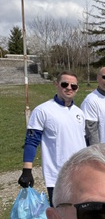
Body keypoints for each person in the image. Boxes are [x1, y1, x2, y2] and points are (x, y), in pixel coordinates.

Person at [17, 71, 86, 205]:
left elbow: (83, 142)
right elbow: (31, 141)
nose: (69, 88)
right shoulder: (42, 110)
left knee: (81, 213)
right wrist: (27, 171)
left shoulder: (79, 113)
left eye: (73, 86)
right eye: (65, 84)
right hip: (57, 176)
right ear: (56, 84)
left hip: (80, 174)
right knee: (60, 214)